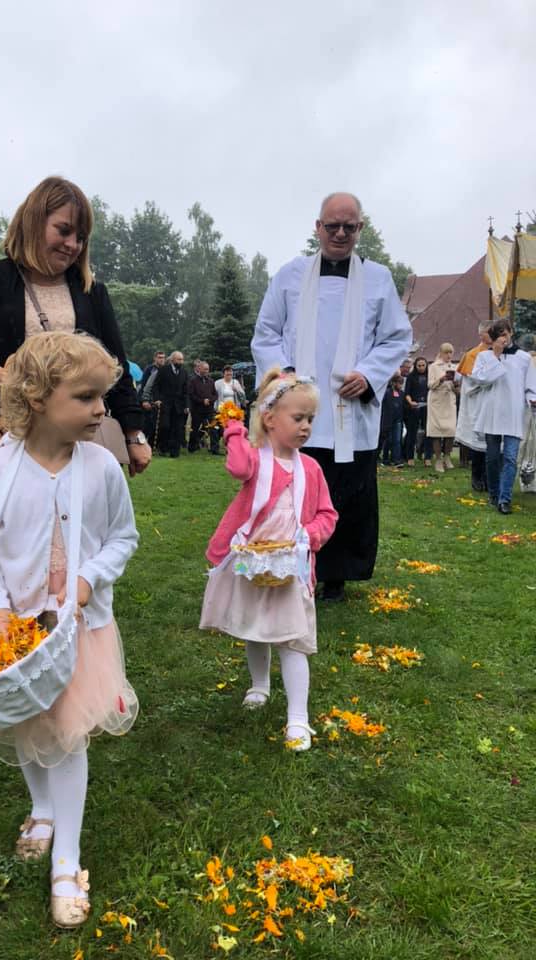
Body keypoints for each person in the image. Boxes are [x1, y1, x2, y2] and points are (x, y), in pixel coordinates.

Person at [0, 331, 139, 928]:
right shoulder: (0, 469)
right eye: (85, 397)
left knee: (66, 734)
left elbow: (122, 538)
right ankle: (42, 807)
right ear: (36, 398)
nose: (101, 409)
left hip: (80, 632)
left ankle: (68, 859)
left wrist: (88, 578)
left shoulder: (103, 467)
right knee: (27, 722)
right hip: (21, 633)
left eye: (102, 396)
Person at [0, 176, 150, 491]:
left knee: (81, 520)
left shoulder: (92, 292)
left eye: (80, 237)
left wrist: (134, 435)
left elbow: (115, 368)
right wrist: (11, 378)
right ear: (34, 222)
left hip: (79, 446)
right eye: (64, 230)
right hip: (4, 443)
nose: (72, 244)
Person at [251, 192, 412, 602]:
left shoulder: (378, 278)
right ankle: (289, 560)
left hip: (350, 408)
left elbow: (396, 337)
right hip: (298, 406)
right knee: (295, 492)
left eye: (349, 227)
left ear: (360, 228)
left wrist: (370, 374)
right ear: (317, 227)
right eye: (332, 225)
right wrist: (285, 376)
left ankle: (337, 574)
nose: (340, 233)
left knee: (346, 494)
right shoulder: (289, 275)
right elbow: (266, 332)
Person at [199, 369, 337, 750]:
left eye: (310, 419)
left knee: (293, 641)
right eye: (298, 418)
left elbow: (327, 515)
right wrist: (233, 427)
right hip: (253, 564)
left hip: (291, 570)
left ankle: (298, 717)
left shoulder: (311, 470)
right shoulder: (256, 461)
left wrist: (310, 535)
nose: (306, 426)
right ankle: (259, 685)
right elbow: (237, 467)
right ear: (270, 419)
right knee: (253, 628)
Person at [470, 321, 536, 513]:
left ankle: (504, 499)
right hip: (492, 412)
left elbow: (530, 386)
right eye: (499, 335)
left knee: (510, 457)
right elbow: (482, 380)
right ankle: (494, 494)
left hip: (513, 412)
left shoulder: (524, 358)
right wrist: (496, 356)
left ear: (511, 333)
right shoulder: (484, 356)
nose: (503, 338)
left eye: (505, 334)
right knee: (492, 458)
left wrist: (532, 399)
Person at [456, 322, 492, 491]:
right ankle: (477, 477)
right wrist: (488, 381)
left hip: (493, 404)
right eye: (489, 332)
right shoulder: (473, 355)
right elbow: (470, 382)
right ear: (481, 334)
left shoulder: (499, 353)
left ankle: (490, 478)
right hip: (477, 403)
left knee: (493, 444)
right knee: (479, 444)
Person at [427, 342, 459, 473]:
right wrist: (441, 379)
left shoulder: (455, 367)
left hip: (449, 400)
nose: (449, 355)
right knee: (436, 431)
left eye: (451, 352)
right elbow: (430, 385)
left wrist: (456, 384)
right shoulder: (433, 366)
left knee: (450, 430)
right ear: (441, 353)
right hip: (437, 400)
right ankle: (438, 459)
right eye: (446, 352)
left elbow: (458, 390)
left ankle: (447, 456)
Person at [152, 350, 188, 457]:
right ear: (172, 360)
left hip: (179, 405)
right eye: (179, 359)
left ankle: (174, 451)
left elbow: (186, 391)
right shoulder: (163, 370)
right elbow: (156, 386)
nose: (181, 362)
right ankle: (163, 448)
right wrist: (157, 399)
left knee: (177, 428)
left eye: (182, 360)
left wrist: (187, 405)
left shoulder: (184, 372)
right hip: (165, 404)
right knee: (165, 426)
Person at [404, 357, 432, 466]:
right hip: (414, 407)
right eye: (419, 365)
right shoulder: (411, 377)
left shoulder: (430, 376)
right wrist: (410, 402)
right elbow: (407, 393)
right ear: (415, 366)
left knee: (428, 432)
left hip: (427, 406)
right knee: (412, 432)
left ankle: (427, 457)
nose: (421, 367)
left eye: (423, 365)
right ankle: (410, 457)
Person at [188, 360, 217, 452]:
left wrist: (210, 400)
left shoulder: (211, 381)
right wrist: (202, 401)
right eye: (204, 369)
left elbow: (215, 394)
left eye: (207, 369)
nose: (206, 371)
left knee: (213, 427)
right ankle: (192, 447)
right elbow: (191, 395)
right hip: (197, 409)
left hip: (209, 409)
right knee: (195, 428)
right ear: (199, 369)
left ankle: (214, 449)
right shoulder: (193, 381)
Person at [139, 350, 166, 446]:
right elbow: (144, 385)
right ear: (155, 358)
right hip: (148, 400)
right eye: (160, 357)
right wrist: (144, 400)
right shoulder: (149, 369)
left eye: (163, 358)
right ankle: (141, 443)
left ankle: (153, 444)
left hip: (159, 400)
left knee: (156, 425)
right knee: (147, 424)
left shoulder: (165, 370)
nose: (162, 360)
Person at [378, 374, 405, 466]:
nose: (400, 385)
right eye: (399, 383)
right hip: (387, 420)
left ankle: (396, 459)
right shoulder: (387, 393)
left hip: (398, 419)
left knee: (397, 440)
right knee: (388, 440)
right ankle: (385, 459)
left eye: (401, 383)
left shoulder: (402, 394)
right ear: (393, 383)